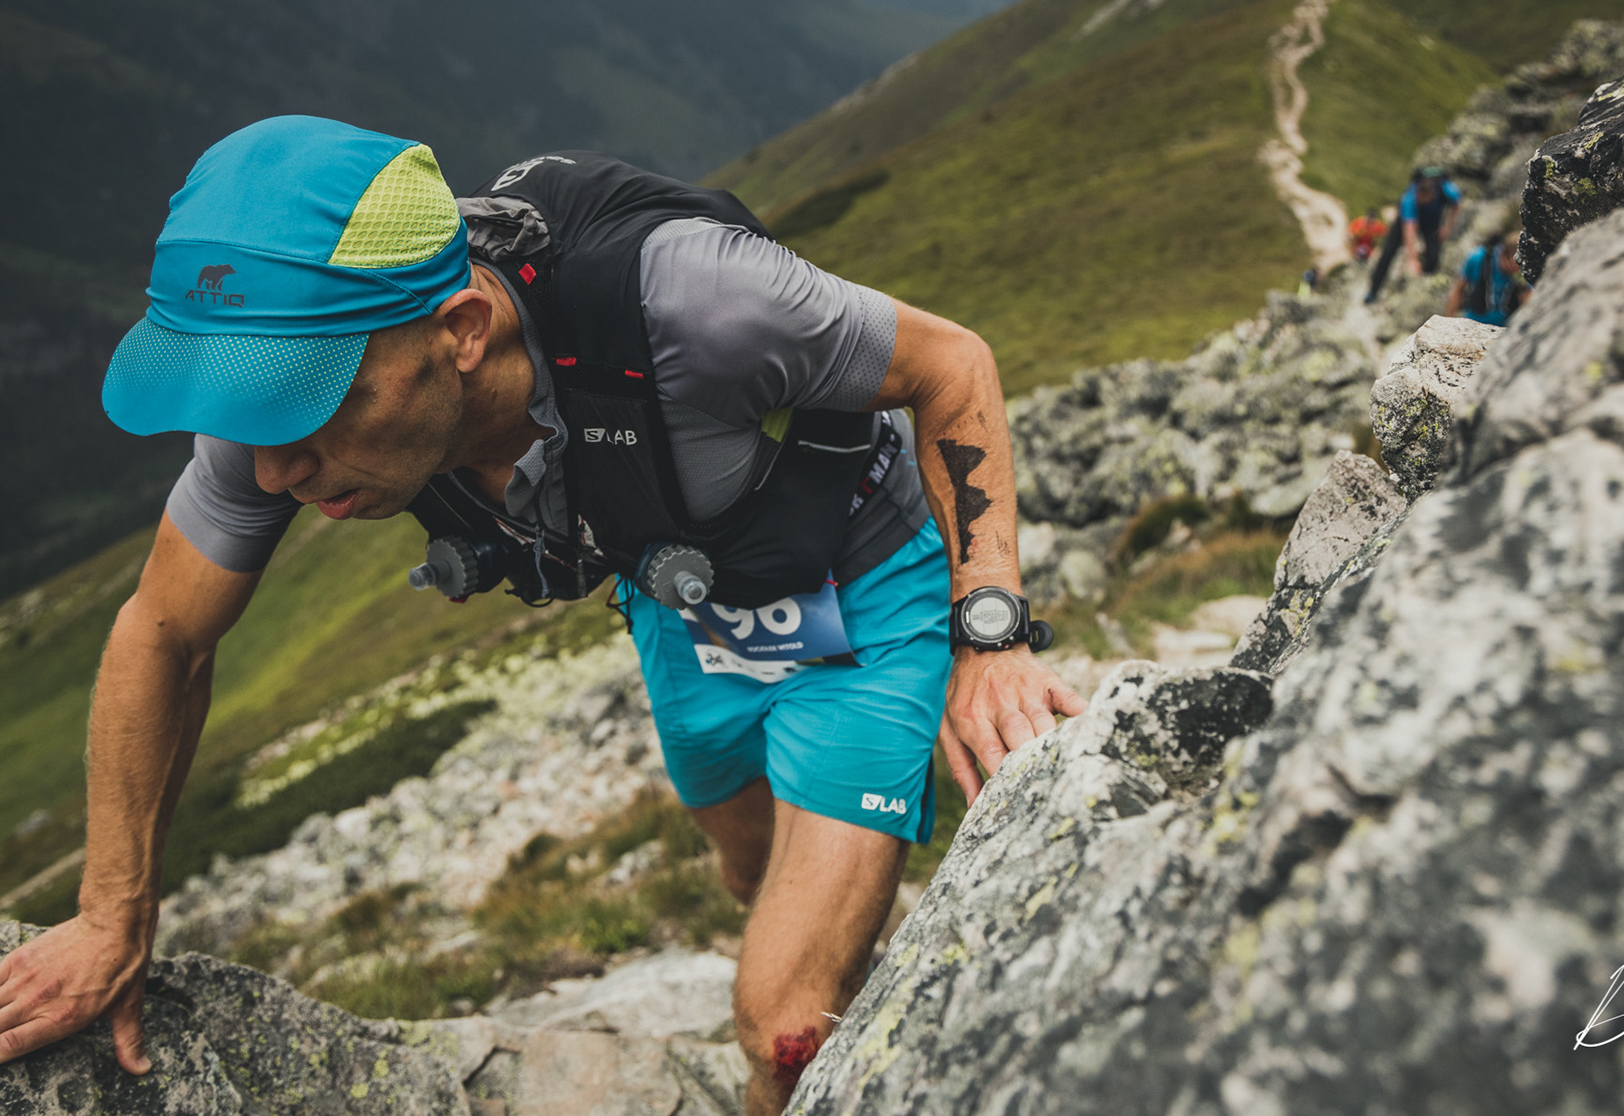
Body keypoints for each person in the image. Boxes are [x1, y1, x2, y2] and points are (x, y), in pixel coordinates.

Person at [0, 117, 1085, 1114]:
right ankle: (859, 961)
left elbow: (953, 365)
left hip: (864, 581)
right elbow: (163, 632)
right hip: (683, 604)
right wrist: (110, 916)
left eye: (315, 401)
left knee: (784, 1027)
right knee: (747, 871)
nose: (276, 469)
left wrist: (988, 636)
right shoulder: (271, 418)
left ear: (462, 329)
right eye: (258, 413)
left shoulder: (696, 300)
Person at [1364, 167, 1461, 302]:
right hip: (1404, 222)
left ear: (1432, 194)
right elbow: (1410, 229)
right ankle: (1373, 291)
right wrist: (1412, 258)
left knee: (1433, 256)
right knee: (1388, 252)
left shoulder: (1447, 190)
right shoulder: (1409, 200)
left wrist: (1447, 227)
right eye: (1418, 199)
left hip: (1431, 221)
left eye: (1423, 200)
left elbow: (1456, 205)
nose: (1420, 201)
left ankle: (1423, 290)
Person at [1445, 227, 1532, 326]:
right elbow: (1458, 289)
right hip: (1473, 322)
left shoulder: (1524, 271)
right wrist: (1449, 321)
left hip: (1505, 326)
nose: (1515, 271)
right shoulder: (1477, 259)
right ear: (1504, 253)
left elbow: (1529, 301)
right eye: (1513, 266)